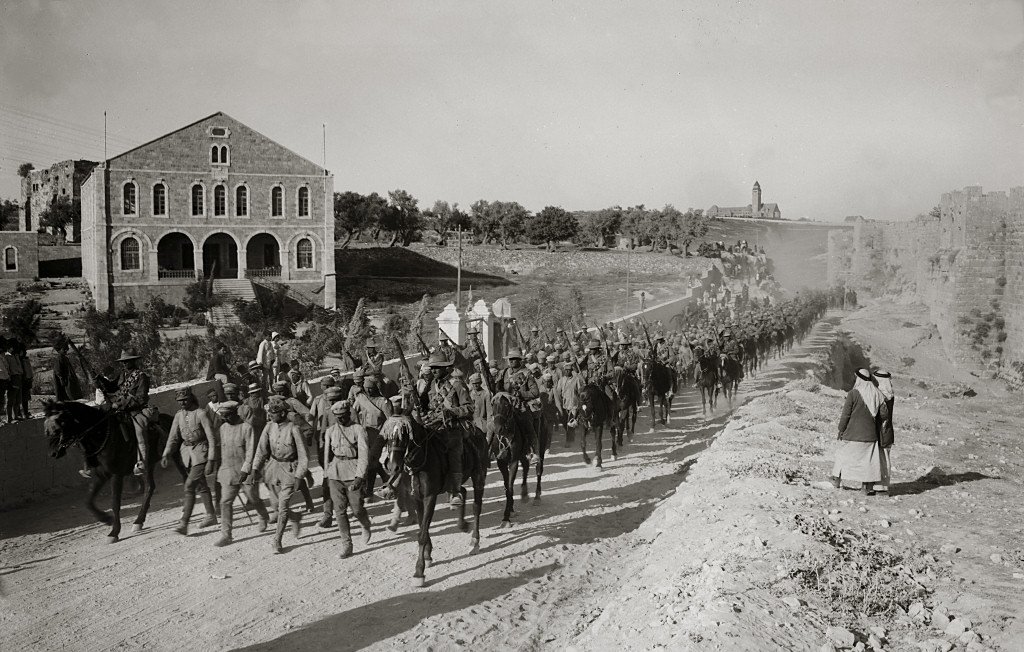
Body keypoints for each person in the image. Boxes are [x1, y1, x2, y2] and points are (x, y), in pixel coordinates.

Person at [252, 396, 309, 554]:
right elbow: (261, 450)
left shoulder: (294, 429)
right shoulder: (269, 427)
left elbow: (304, 456)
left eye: (274, 413)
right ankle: (295, 517)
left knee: (282, 506)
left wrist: (299, 476)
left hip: (289, 469)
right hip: (272, 469)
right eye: (270, 413)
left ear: (283, 413)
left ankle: (277, 540)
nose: (271, 415)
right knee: (276, 506)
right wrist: (255, 469)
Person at [161, 388, 218, 535]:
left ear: (191, 398)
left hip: (201, 452)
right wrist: (166, 454)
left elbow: (211, 438)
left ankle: (184, 523)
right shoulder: (178, 415)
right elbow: (173, 437)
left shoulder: (201, 413)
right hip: (186, 454)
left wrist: (211, 459)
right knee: (201, 485)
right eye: (180, 401)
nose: (182, 403)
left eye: (185, 400)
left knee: (189, 485)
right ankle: (211, 515)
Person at [420, 352, 472, 506]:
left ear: (446, 368)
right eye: (433, 368)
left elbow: (469, 407)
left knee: (454, 451)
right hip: (432, 426)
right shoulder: (430, 385)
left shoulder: (457, 384)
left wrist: (451, 412)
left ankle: (455, 491)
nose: (434, 370)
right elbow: (423, 405)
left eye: (437, 368)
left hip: (451, 427)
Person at [214, 400, 269, 546]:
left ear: (234, 413)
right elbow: (223, 451)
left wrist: (246, 470)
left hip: (245, 471)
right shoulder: (223, 428)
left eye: (227, 415)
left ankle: (263, 516)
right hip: (228, 472)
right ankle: (226, 534)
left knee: (253, 497)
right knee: (225, 502)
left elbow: (251, 452)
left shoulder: (247, 428)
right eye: (222, 416)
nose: (224, 418)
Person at [322, 400, 372, 558]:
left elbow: (364, 454)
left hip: (352, 470)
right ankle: (346, 544)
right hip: (335, 472)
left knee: (357, 509)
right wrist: (326, 473)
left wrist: (360, 476)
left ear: (349, 414)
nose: (341, 420)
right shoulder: (330, 431)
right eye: (338, 417)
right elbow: (327, 456)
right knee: (340, 511)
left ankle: (365, 524)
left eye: (343, 416)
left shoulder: (358, 430)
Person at [832, 369, 889, 496]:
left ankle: (836, 480)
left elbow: (846, 415)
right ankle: (866, 487)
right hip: (870, 436)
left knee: (843, 455)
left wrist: (841, 429)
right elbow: (884, 414)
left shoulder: (853, 393)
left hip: (852, 434)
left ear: (859, 379)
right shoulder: (877, 393)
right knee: (868, 462)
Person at [95, 348, 151, 475]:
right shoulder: (123, 375)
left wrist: (121, 404)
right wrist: (99, 379)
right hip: (120, 410)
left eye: (128, 361)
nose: (125, 364)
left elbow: (141, 398)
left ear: (134, 361)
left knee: (139, 431)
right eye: (123, 362)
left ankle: (142, 461)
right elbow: (112, 386)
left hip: (136, 411)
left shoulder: (141, 376)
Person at [494, 349, 541, 461]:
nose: (511, 361)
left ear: (520, 360)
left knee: (528, 426)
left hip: (521, 406)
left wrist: (520, 393)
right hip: (506, 406)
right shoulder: (504, 373)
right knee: (495, 424)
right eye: (510, 359)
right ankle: (496, 449)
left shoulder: (527, 374)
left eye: (514, 359)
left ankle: (535, 452)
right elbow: (498, 388)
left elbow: (535, 392)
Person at [351, 375, 392, 500]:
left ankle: (368, 492)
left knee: (371, 462)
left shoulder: (383, 401)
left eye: (371, 388)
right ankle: (386, 480)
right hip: (364, 434)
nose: (368, 391)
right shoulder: (361, 398)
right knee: (369, 462)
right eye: (366, 388)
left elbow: (390, 420)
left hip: (379, 436)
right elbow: (353, 412)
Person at [874, 369, 895, 493]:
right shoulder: (889, 394)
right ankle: (882, 485)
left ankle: (881, 487)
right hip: (887, 431)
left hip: (882, 431)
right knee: (884, 459)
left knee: (882, 459)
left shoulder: (883, 395)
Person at [4, 338, 24, 421]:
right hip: (12, 378)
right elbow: (7, 368)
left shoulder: (15, 356)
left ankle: (16, 415)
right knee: (11, 399)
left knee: (18, 399)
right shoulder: (7, 356)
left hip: (18, 377)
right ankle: (9, 417)